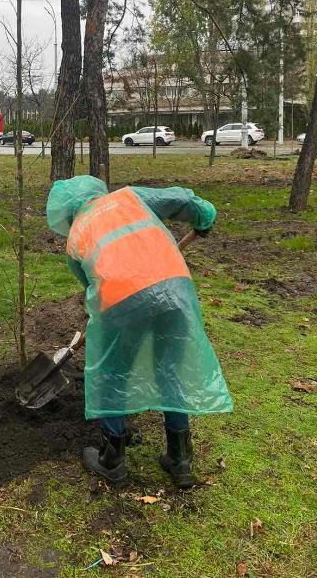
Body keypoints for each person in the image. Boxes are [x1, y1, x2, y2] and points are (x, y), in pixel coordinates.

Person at [46, 176, 232, 487]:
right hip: (174, 290)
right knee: (170, 367)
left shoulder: (75, 238)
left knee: (113, 373)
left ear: (66, 215)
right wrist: (204, 217)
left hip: (120, 303)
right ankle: (180, 459)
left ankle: (112, 459)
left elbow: (93, 288)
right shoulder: (130, 197)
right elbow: (182, 199)